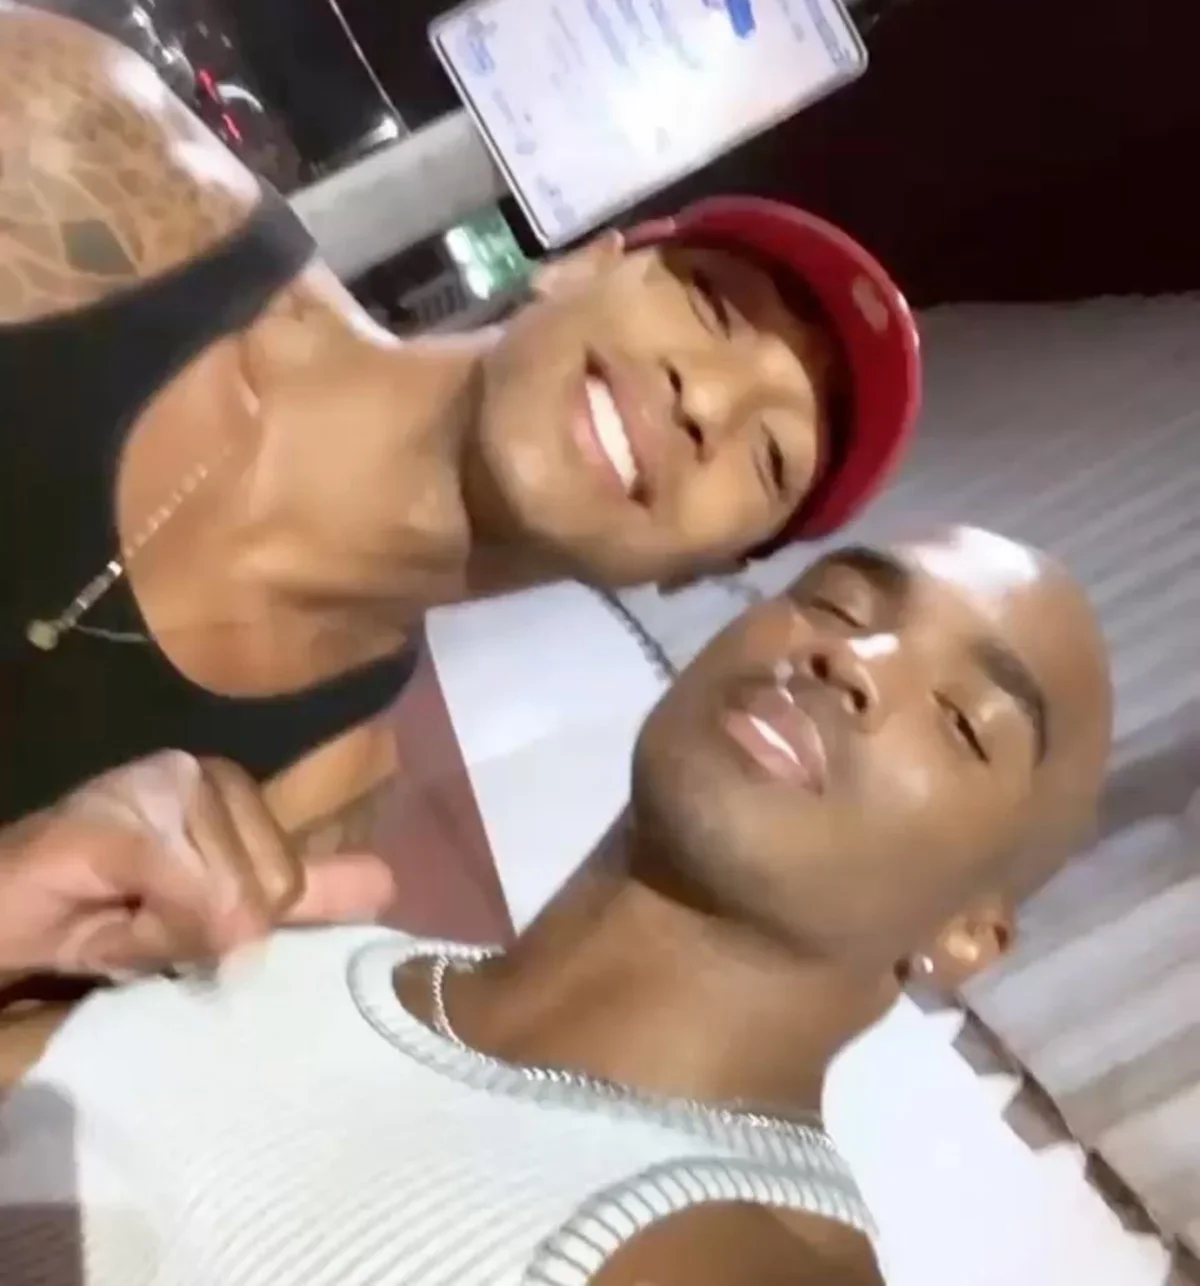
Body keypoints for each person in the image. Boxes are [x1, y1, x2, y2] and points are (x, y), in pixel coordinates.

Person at [0, 4, 919, 971]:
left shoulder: (296, 826)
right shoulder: (82, 153)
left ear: (698, 572)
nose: (707, 400)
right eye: (714, 306)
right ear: (582, 265)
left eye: (768, 459)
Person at [0, 525, 1112, 1284]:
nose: (850, 658)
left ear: (966, 934)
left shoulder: (756, 1260)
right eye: (837, 601)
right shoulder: (289, 956)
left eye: (964, 722)